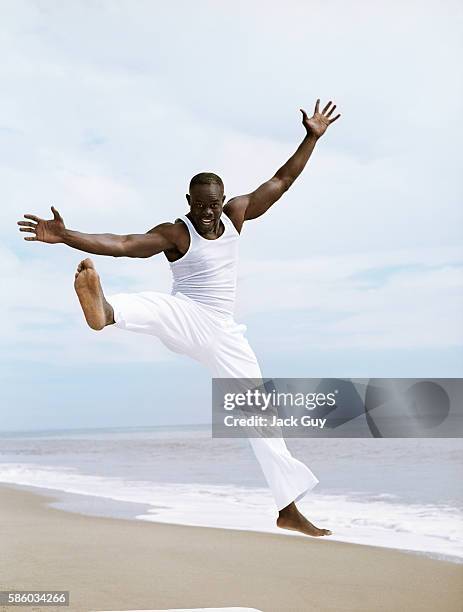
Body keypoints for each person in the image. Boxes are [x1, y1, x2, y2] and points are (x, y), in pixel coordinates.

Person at [18, 99, 340, 536]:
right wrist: (67, 236)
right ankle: (104, 312)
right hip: (186, 315)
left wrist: (311, 137)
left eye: (214, 204)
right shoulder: (176, 232)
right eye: (200, 204)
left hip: (225, 334)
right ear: (188, 200)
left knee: (260, 413)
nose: (207, 212)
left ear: (223, 200)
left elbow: (282, 181)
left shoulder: (237, 213)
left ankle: (287, 506)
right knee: (154, 305)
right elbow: (125, 243)